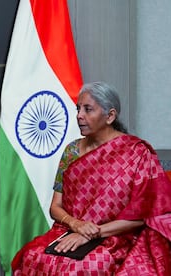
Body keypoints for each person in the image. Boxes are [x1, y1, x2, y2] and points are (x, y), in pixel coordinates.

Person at [11, 81, 171, 275]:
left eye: (88, 109)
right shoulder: (72, 151)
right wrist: (76, 225)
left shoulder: (137, 153)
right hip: (71, 230)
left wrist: (93, 233)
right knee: (33, 257)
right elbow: (55, 206)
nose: (79, 116)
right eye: (78, 109)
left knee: (85, 267)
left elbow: (146, 215)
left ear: (110, 116)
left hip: (118, 236)